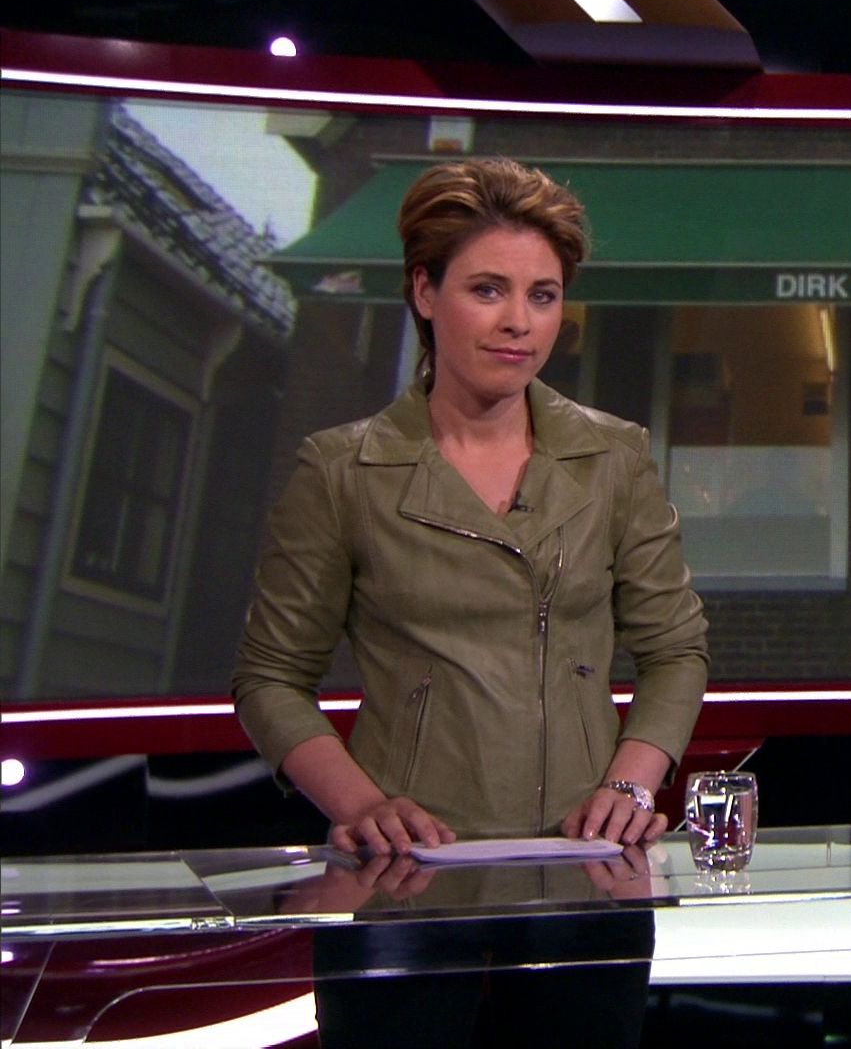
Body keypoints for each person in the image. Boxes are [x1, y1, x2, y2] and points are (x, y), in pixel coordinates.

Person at [232, 157, 708, 1046]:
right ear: (425, 291)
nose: (519, 322)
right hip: (403, 877)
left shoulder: (614, 458)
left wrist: (631, 782)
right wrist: (360, 806)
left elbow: (676, 649)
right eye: (488, 290)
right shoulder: (342, 470)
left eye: (543, 295)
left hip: (584, 873)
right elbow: (270, 678)